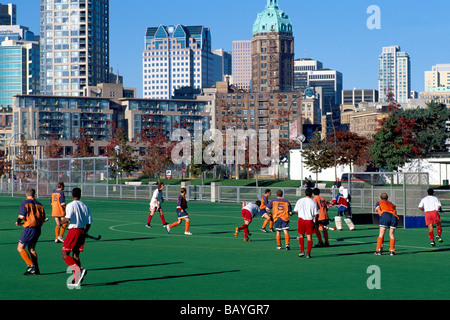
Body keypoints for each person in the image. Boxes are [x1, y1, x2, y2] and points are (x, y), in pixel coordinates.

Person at [59, 188, 92, 287]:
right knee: (76, 256)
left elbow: (68, 218)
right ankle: (76, 280)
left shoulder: (70, 205)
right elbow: (89, 222)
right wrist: (85, 231)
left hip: (73, 231)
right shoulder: (85, 206)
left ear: (72, 195)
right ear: (80, 195)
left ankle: (79, 270)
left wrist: (60, 223)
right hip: (82, 231)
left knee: (65, 254)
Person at [16, 188, 46, 275]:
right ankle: (36, 269)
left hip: (29, 229)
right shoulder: (40, 204)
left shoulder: (24, 202)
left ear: (26, 194)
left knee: (20, 248)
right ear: (34, 195)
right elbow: (43, 218)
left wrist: (18, 222)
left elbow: (22, 215)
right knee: (32, 249)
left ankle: (31, 265)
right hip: (37, 229)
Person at [294, 188, 319, 258]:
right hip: (309, 221)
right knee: (309, 237)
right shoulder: (313, 202)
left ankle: (302, 251)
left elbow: (295, 210)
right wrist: (315, 220)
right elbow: (316, 214)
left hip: (301, 220)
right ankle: (308, 254)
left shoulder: (300, 200)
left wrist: (300, 214)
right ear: (312, 194)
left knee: (301, 235)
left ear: (305, 193)